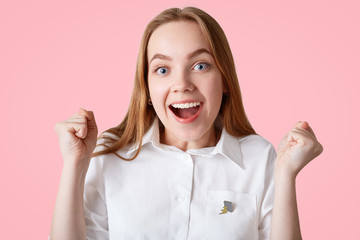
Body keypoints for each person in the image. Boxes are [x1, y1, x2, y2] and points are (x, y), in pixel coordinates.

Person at [50, 6, 323, 240]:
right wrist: (74, 165)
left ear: (225, 79)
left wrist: (286, 174)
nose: (181, 84)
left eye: (200, 65)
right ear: (146, 87)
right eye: (163, 69)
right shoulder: (110, 154)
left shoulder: (259, 157)